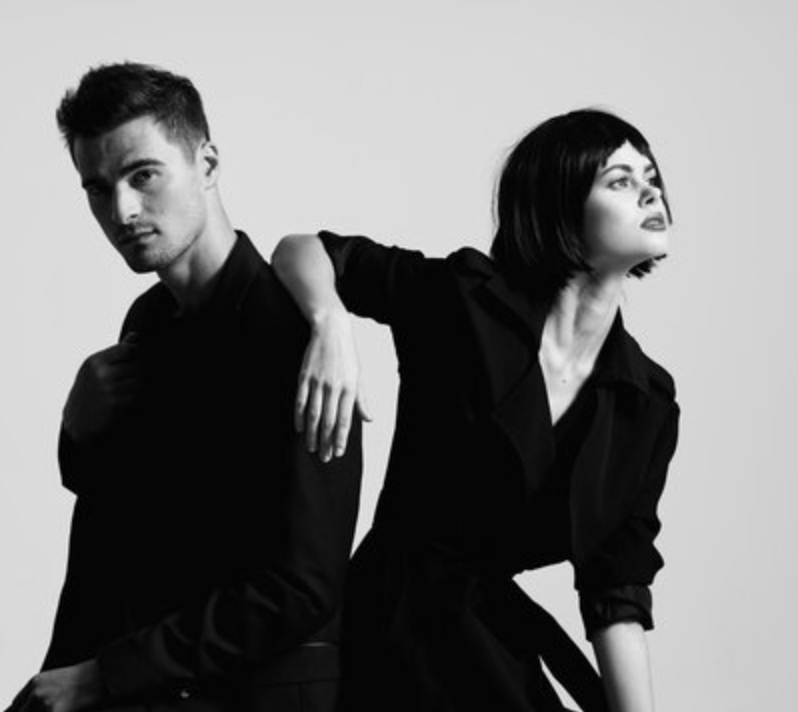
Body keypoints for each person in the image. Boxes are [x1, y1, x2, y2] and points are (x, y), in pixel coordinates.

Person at [271, 109, 680, 712]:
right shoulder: (465, 299)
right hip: (390, 619)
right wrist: (329, 324)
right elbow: (304, 250)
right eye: (620, 180)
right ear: (558, 205)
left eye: (651, 177)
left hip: (488, 637)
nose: (650, 192)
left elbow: (615, 593)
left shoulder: (646, 401)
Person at [5, 62, 362, 712]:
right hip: (137, 682)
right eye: (98, 188)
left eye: (143, 175)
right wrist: (78, 428)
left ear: (208, 164)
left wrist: (103, 676)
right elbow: (137, 513)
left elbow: (302, 586)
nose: (122, 211)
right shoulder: (149, 321)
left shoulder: (294, 333)